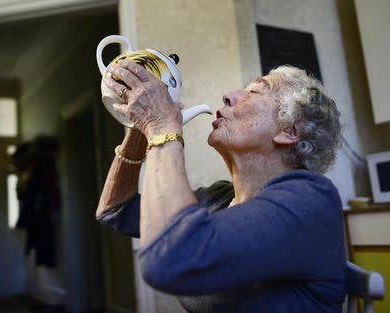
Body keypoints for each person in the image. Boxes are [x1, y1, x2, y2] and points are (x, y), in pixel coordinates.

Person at [96, 59, 346, 313]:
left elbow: (170, 259)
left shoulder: (310, 200)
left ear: (290, 131)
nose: (228, 96)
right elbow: (114, 211)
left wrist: (160, 126)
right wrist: (140, 129)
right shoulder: (219, 198)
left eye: (254, 91)